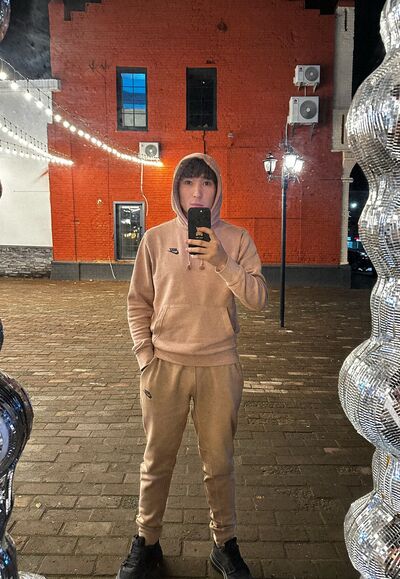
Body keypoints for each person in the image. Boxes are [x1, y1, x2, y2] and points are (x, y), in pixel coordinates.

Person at [117, 153, 268, 579]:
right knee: (156, 460)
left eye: (206, 182)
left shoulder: (236, 239)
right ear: (177, 189)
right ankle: (146, 541)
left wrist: (221, 260)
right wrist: (145, 358)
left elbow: (258, 299)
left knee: (219, 463)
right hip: (165, 366)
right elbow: (138, 302)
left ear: (217, 189)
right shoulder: (154, 239)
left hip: (220, 365)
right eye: (188, 183)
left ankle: (225, 544)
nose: (197, 191)